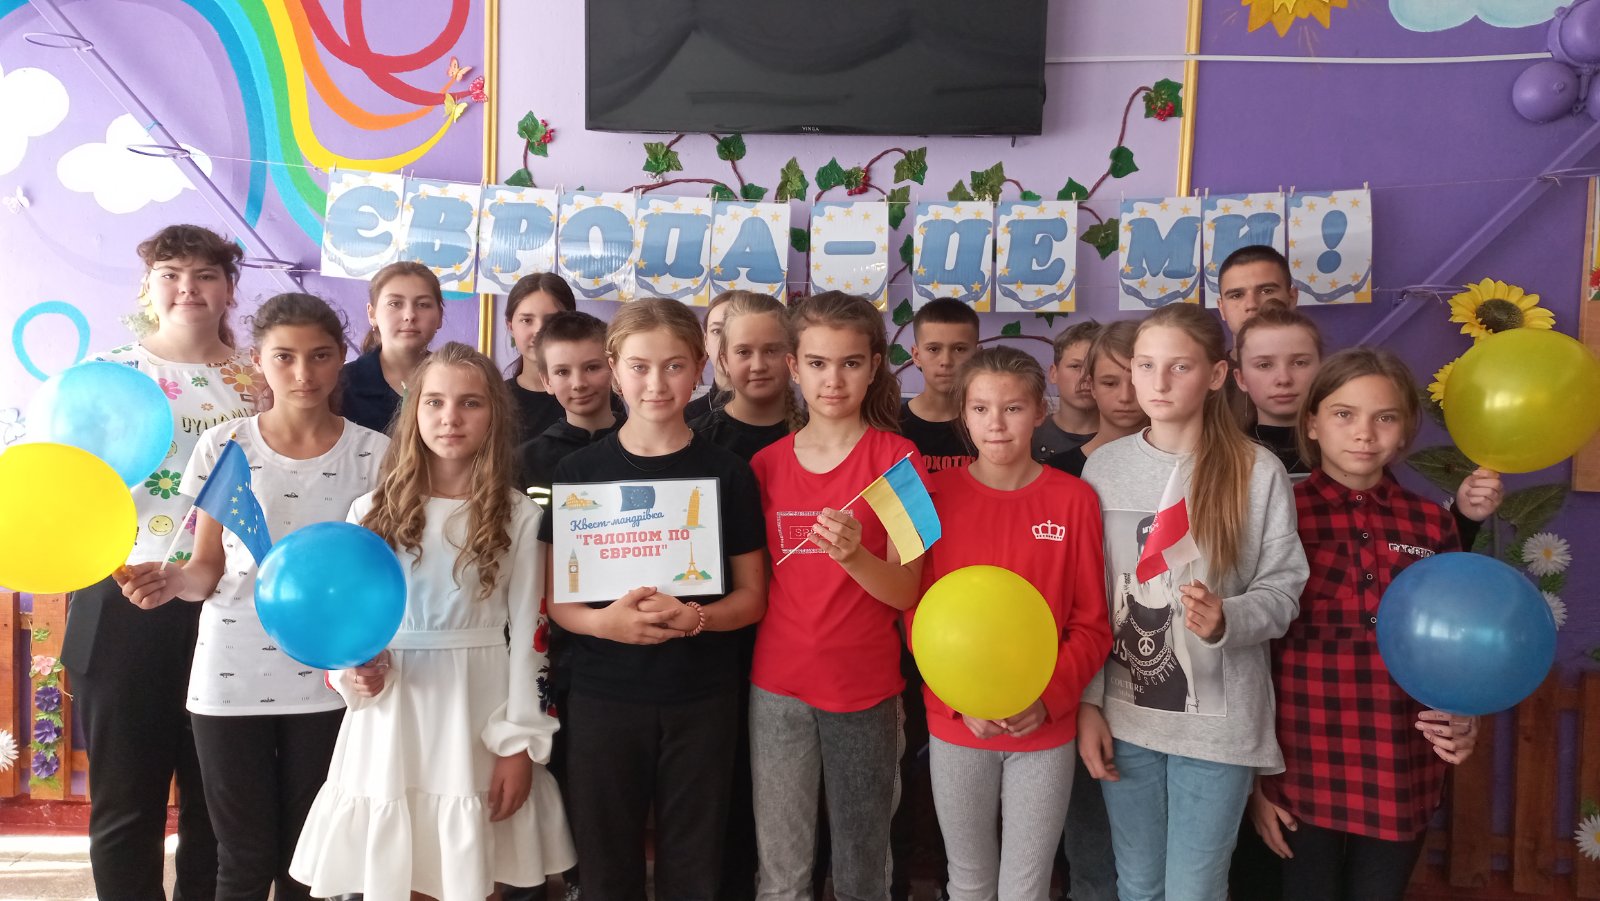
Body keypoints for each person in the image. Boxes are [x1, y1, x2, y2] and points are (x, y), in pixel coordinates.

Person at [115, 293, 389, 901]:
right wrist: (171, 582)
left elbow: (379, 575)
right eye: (284, 356)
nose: (303, 373)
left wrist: (369, 653)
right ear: (258, 360)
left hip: (329, 678)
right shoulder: (225, 445)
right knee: (241, 857)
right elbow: (206, 568)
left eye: (320, 356)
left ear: (341, 358)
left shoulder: (377, 455)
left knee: (308, 862)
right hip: (229, 675)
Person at [290, 342, 575, 899]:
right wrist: (352, 673)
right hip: (393, 713)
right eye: (435, 402)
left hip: (478, 710)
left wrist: (519, 743)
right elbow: (346, 626)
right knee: (401, 872)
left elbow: (532, 637)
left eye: (470, 403)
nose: (451, 418)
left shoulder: (519, 514)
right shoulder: (369, 512)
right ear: (414, 411)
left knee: (473, 870)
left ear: (494, 415)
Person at [1075, 302, 1309, 901]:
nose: (1158, 382)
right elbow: (1090, 601)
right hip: (1127, 716)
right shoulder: (1103, 469)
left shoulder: (1257, 471)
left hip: (1219, 728)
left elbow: (1283, 589)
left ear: (1216, 374)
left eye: (1179, 366)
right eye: (1144, 365)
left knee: (1195, 889)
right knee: (1137, 884)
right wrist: (1089, 704)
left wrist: (1230, 616)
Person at [540, 298, 768, 901]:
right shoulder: (578, 472)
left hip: (703, 696)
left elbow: (752, 598)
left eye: (674, 366)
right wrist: (605, 625)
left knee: (695, 862)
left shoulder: (729, 473)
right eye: (639, 367)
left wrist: (697, 617)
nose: (656, 383)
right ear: (615, 370)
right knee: (605, 861)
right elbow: (558, 602)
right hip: (603, 694)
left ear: (700, 369)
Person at [1249, 348, 1496, 901]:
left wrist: (1465, 713)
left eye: (1385, 417)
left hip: (1401, 755)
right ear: (1312, 423)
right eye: (1344, 414)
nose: (1364, 432)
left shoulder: (1431, 524)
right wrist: (1255, 782)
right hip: (1298, 754)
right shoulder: (1277, 513)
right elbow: (1250, 653)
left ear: (1405, 430)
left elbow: (1453, 641)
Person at [62, 224, 247, 901]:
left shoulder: (261, 379)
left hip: (228, 606)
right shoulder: (106, 376)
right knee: (126, 799)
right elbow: (66, 485)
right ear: (149, 287)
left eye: (205, 274)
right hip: (123, 599)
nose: (187, 287)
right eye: (171, 273)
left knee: (217, 803)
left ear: (228, 288)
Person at [911, 346, 1111, 900]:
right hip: (959, 724)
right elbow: (916, 612)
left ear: (1040, 411)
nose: (995, 424)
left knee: (1027, 885)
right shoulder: (934, 497)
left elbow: (1092, 623)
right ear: (963, 414)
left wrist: (1047, 698)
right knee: (968, 878)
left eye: (1013, 408)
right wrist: (959, 699)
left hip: (1043, 726)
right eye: (980, 409)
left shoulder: (1075, 500)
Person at [748, 290, 927, 901]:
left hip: (864, 689)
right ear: (793, 367)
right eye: (818, 363)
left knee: (861, 864)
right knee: (781, 867)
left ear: (874, 366)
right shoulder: (765, 465)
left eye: (850, 363)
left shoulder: (900, 460)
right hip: (776, 687)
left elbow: (907, 590)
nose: (833, 379)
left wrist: (856, 557)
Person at [686, 290, 801, 901]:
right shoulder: (695, 437)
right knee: (726, 785)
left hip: (804, 642)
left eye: (772, 350)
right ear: (722, 359)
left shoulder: (821, 430)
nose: (758, 364)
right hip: (719, 640)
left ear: (793, 356)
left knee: (797, 796)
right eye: (744, 351)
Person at [518, 311, 625, 504]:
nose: (578, 384)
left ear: (613, 369)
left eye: (592, 368)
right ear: (547, 381)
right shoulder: (524, 462)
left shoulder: (646, 446)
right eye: (562, 372)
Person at [341, 262, 445, 434]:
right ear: (372, 314)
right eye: (395, 303)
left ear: (439, 316)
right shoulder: (341, 385)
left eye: (423, 304)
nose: (410, 315)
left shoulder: (455, 381)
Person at [1231, 299, 1323, 477]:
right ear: (1241, 379)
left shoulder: (1352, 449)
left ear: (1321, 370)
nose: (1284, 379)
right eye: (1264, 365)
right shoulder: (1223, 457)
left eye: (1299, 363)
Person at [1045, 321, 1146, 479]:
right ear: (1092, 386)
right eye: (1109, 383)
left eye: (1136, 383)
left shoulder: (1183, 459)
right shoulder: (1056, 472)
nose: (1125, 397)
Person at [504, 272, 579, 442]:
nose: (539, 331)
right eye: (527, 320)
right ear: (510, 326)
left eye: (551, 320)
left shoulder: (593, 392)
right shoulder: (495, 399)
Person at [1033, 320, 1104, 462]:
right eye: (1075, 366)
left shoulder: (1124, 438)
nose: (1085, 376)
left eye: (1094, 366)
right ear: (1054, 373)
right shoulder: (1029, 436)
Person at [685, 290, 738, 421]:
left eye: (738, 330)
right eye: (717, 331)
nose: (726, 341)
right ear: (706, 341)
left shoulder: (784, 414)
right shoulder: (686, 418)